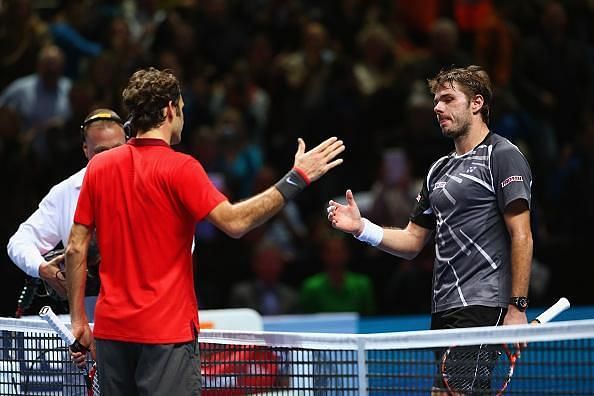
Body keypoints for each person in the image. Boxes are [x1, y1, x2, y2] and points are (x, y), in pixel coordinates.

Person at [65, 67, 344, 396]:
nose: (182, 116)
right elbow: (236, 222)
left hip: (112, 334)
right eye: (181, 108)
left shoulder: (100, 166)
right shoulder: (181, 168)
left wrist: (79, 320)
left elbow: (74, 248)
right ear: (170, 109)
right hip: (165, 335)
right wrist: (296, 178)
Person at [327, 65, 533, 395]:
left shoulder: (503, 155)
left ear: (476, 103)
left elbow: (521, 234)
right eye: (435, 100)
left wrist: (517, 308)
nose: (437, 107)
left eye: (448, 99)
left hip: (483, 303)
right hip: (444, 307)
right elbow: (412, 240)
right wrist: (362, 228)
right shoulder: (438, 169)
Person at [7, 108, 127, 320]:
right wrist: (43, 269)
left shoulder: (149, 183)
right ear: (85, 150)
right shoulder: (66, 192)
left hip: (148, 316)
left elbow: (184, 241)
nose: (111, 159)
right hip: (90, 324)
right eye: (101, 152)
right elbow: (19, 242)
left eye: (117, 149)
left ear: (128, 144)